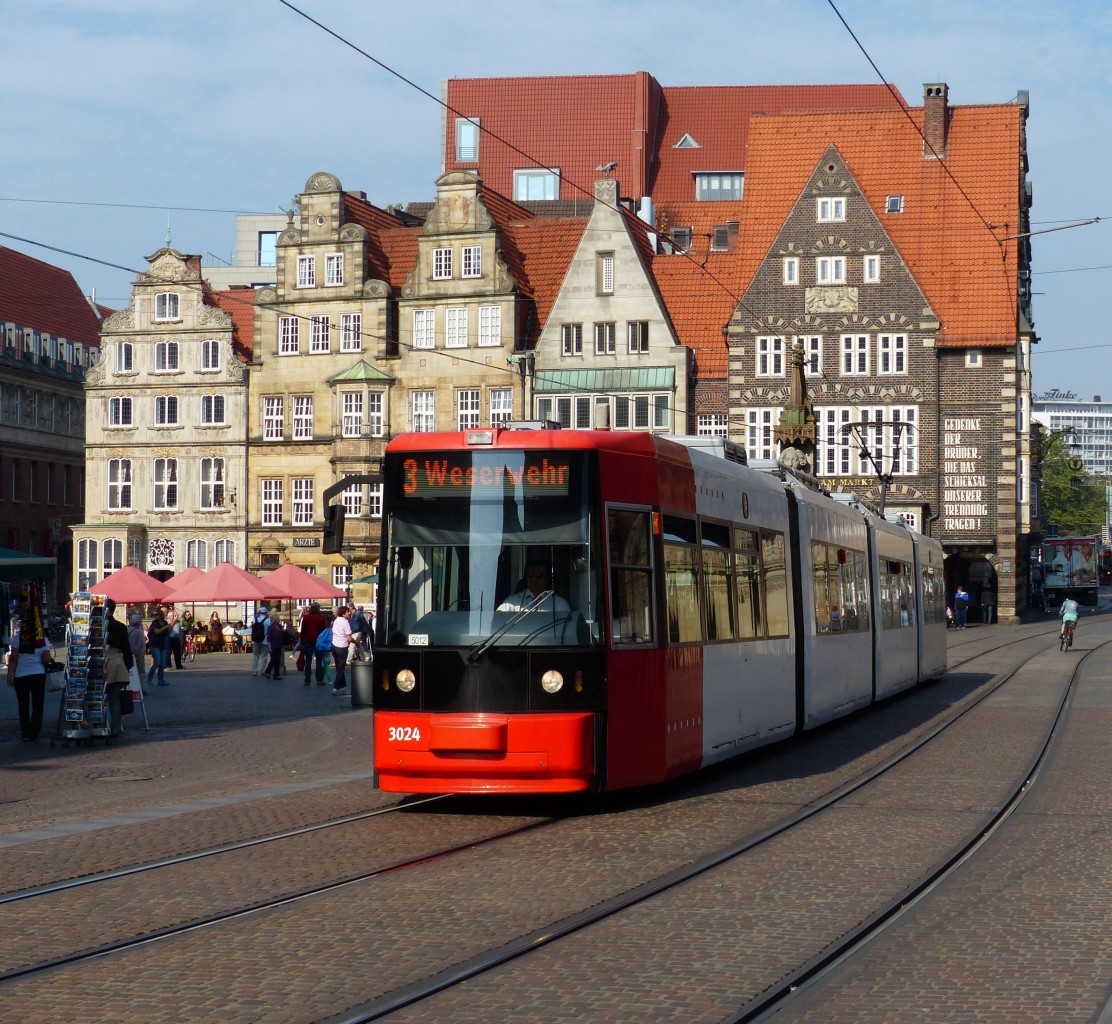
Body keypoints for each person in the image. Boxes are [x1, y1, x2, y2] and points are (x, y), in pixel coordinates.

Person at [7, 601, 51, 741]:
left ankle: (25, 731)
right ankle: (34, 732)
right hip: (38, 674)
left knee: (23, 705)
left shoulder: (18, 639)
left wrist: (10, 675)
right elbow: (46, 659)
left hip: (21, 675)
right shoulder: (43, 639)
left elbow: (13, 658)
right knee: (38, 705)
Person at [104, 598, 135, 736]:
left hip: (100, 664)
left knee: (97, 699)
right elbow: (127, 650)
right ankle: (115, 729)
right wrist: (128, 666)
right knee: (114, 700)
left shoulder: (96, 625)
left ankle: (97, 726)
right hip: (117, 664)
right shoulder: (121, 627)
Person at [497, 561, 571, 614]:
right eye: (530, 575)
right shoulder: (513, 601)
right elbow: (498, 618)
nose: (534, 579)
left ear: (547, 579)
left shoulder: (559, 604)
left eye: (539, 575)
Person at [299, 602, 329, 686]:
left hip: (308, 641)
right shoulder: (321, 618)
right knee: (319, 661)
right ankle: (319, 679)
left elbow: (303, 632)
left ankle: (307, 680)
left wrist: (302, 643)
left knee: (308, 661)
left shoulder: (306, 618)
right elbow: (324, 631)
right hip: (319, 641)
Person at [330, 605, 352, 696]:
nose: (349, 613)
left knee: (339, 668)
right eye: (348, 612)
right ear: (343, 614)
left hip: (334, 646)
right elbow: (349, 638)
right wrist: (357, 643)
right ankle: (336, 688)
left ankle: (343, 688)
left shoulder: (336, 621)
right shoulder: (345, 622)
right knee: (341, 669)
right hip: (342, 647)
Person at [146, 607, 171, 687]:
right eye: (155, 615)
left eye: (157, 614)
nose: (156, 616)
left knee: (162, 663)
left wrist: (168, 627)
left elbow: (167, 633)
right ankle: (149, 679)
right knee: (157, 662)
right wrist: (165, 628)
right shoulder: (155, 623)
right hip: (155, 644)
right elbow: (156, 632)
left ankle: (160, 680)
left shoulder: (165, 622)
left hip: (162, 644)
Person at [128, 612, 149, 696]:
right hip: (137, 654)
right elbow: (137, 644)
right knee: (140, 672)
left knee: (134, 672)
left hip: (133, 653)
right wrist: (136, 653)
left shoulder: (130, 629)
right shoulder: (138, 631)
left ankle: (135, 687)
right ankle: (141, 688)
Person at [250, 606, 271, 676]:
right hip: (265, 640)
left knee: (255, 656)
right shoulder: (268, 620)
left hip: (255, 640)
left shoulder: (254, 619)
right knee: (263, 656)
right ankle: (260, 671)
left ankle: (254, 671)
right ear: (265, 613)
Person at [165, 604, 183, 669]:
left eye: (176, 615)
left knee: (177, 653)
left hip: (176, 638)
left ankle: (179, 665)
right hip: (169, 638)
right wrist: (174, 621)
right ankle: (168, 665)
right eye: (174, 615)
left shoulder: (177, 622)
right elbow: (168, 628)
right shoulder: (168, 621)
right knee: (168, 652)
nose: (176, 616)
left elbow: (179, 630)